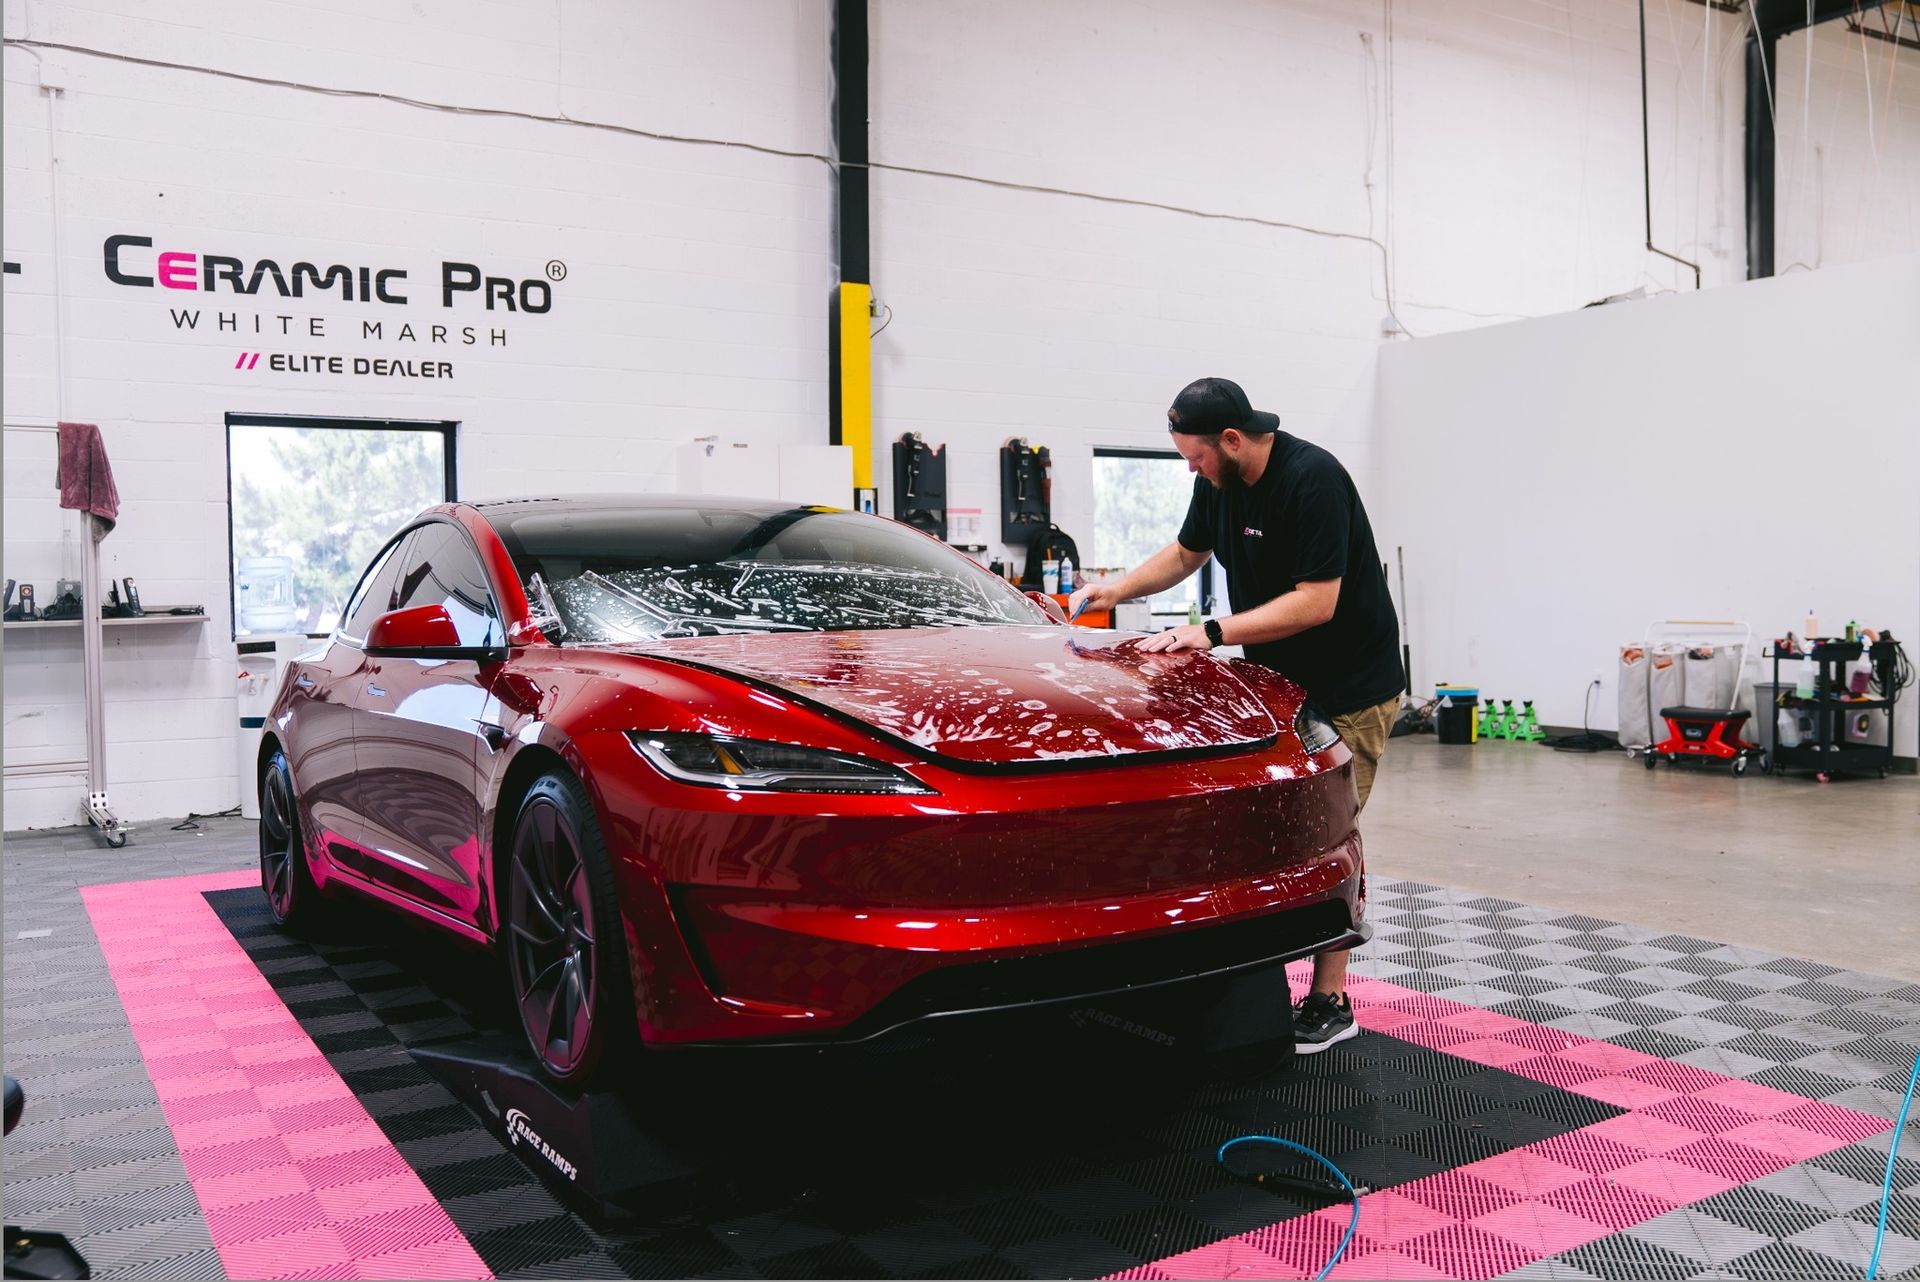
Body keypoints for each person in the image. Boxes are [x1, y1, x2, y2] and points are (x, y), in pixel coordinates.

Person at [1069, 376, 1404, 1053]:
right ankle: (1255, 969)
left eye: (1195, 457)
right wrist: (1113, 587)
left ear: (1231, 439)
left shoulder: (1315, 481)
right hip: (1280, 686)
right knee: (1272, 829)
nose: (1192, 470)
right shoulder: (1218, 482)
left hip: (1351, 687)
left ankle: (1332, 999)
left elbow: (1317, 601)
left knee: (1331, 830)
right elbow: (1187, 552)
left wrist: (1213, 632)